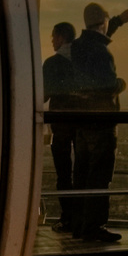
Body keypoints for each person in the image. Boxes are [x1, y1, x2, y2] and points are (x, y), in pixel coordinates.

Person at [67, 1, 128, 243]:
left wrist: (119, 19)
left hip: (83, 122)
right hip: (102, 121)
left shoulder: (77, 46)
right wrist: (122, 84)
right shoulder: (101, 52)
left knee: (82, 175)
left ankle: (79, 224)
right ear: (102, 23)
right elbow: (108, 86)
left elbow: (97, 35)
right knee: (99, 176)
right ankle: (94, 227)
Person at [40, 21, 80, 235]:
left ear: (62, 38)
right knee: (82, 171)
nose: (52, 41)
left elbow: (43, 94)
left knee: (64, 173)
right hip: (83, 125)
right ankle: (84, 218)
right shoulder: (84, 61)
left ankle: (68, 218)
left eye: (54, 37)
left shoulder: (53, 64)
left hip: (61, 126)